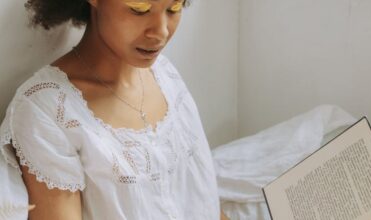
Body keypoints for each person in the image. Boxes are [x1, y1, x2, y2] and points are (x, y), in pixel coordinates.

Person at [0, 0, 229, 219]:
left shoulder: (165, 76)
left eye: (174, 8)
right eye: (139, 9)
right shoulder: (47, 110)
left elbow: (205, 203)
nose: (161, 32)